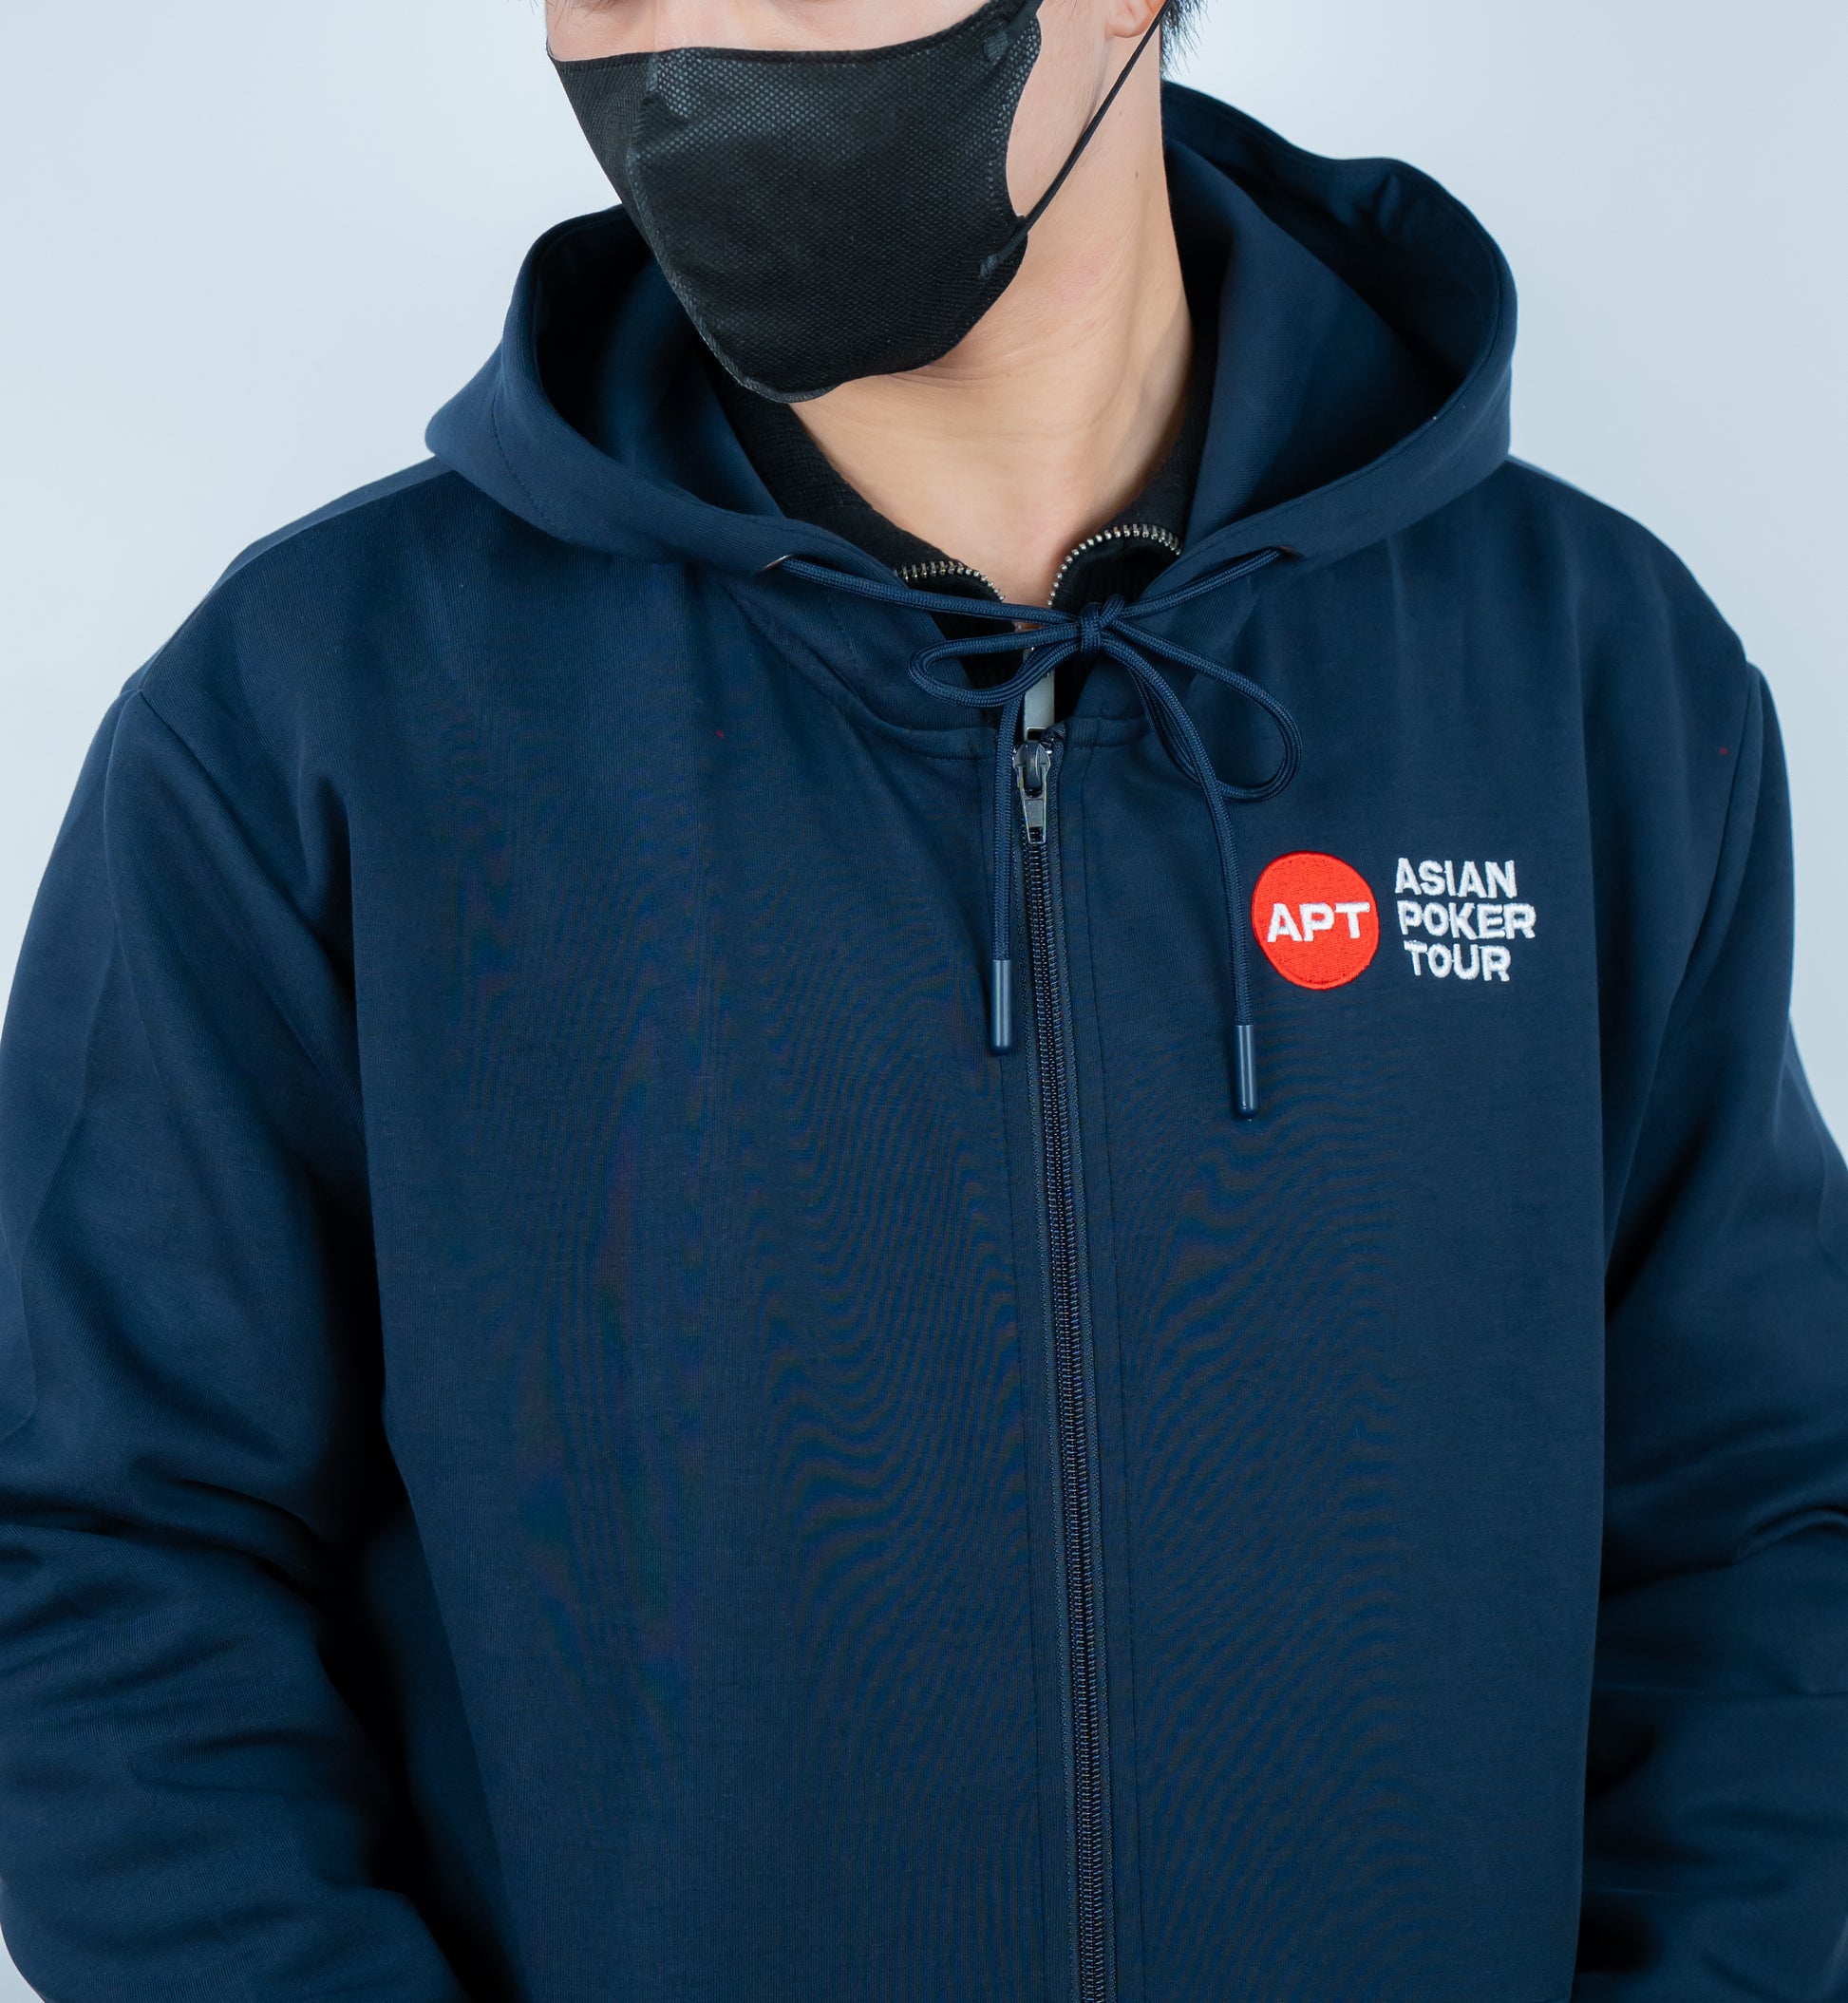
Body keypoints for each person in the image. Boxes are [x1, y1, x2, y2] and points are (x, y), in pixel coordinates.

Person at [1, 0, 1843, 1996]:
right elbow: (95, 1563)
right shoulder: (316, 715)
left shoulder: (1588, 679)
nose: (675, 44)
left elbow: (1762, 1530)